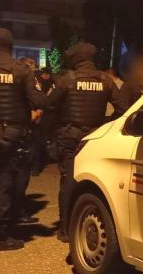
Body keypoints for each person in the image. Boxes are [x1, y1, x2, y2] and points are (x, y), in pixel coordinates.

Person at [0, 28, 47, 257]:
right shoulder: (21, 71)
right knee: (4, 186)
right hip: (11, 136)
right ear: (11, 46)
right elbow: (38, 101)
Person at [47, 42, 128, 242]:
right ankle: (83, 223)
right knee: (93, 180)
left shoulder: (67, 80)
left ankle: (65, 230)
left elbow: (49, 105)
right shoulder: (105, 80)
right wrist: (105, 125)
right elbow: (123, 109)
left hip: (69, 136)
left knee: (68, 181)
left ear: (76, 59)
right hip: (93, 138)